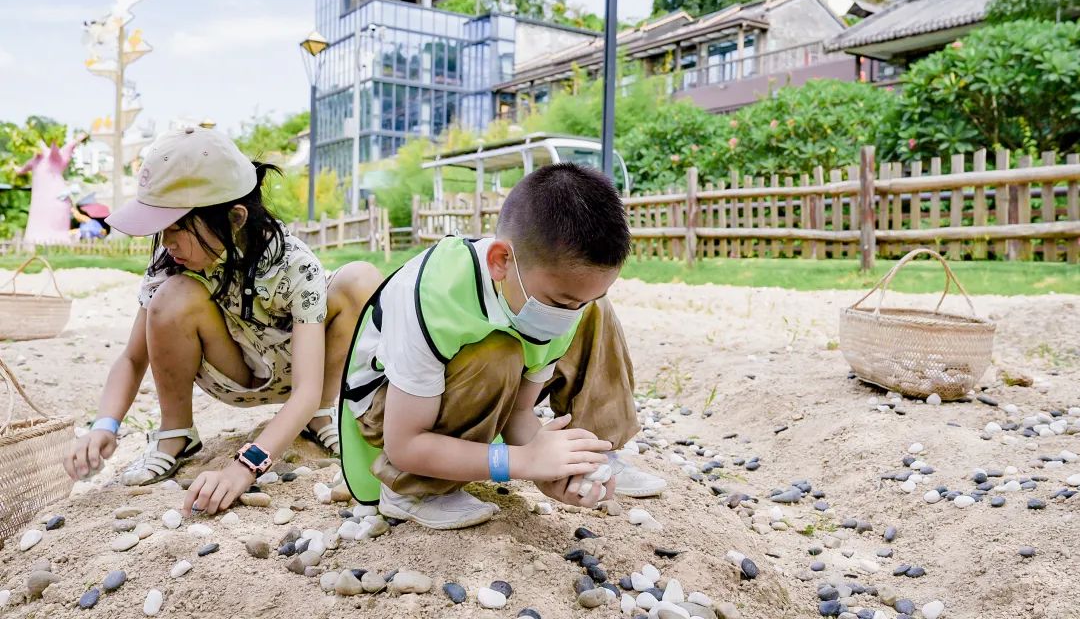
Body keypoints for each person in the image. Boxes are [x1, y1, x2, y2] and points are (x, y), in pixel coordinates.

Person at [62, 126, 376, 517]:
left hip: (301, 381)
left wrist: (243, 468)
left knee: (361, 279)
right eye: (162, 229)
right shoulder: (170, 263)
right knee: (171, 295)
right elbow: (131, 359)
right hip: (232, 372)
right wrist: (104, 426)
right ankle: (176, 434)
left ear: (235, 217)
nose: (167, 241)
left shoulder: (294, 265)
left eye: (177, 226)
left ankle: (320, 419)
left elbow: (306, 389)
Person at [338, 163, 666, 530]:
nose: (570, 315)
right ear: (500, 261)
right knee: (498, 351)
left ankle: (591, 452)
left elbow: (518, 414)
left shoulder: (559, 298)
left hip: (476, 399)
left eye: (579, 301)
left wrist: (557, 470)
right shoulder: (433, 295)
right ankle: (415, 489)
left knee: (593, 310)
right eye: (560, 302)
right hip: (391, 413)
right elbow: (406, 444)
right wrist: (522, 463)